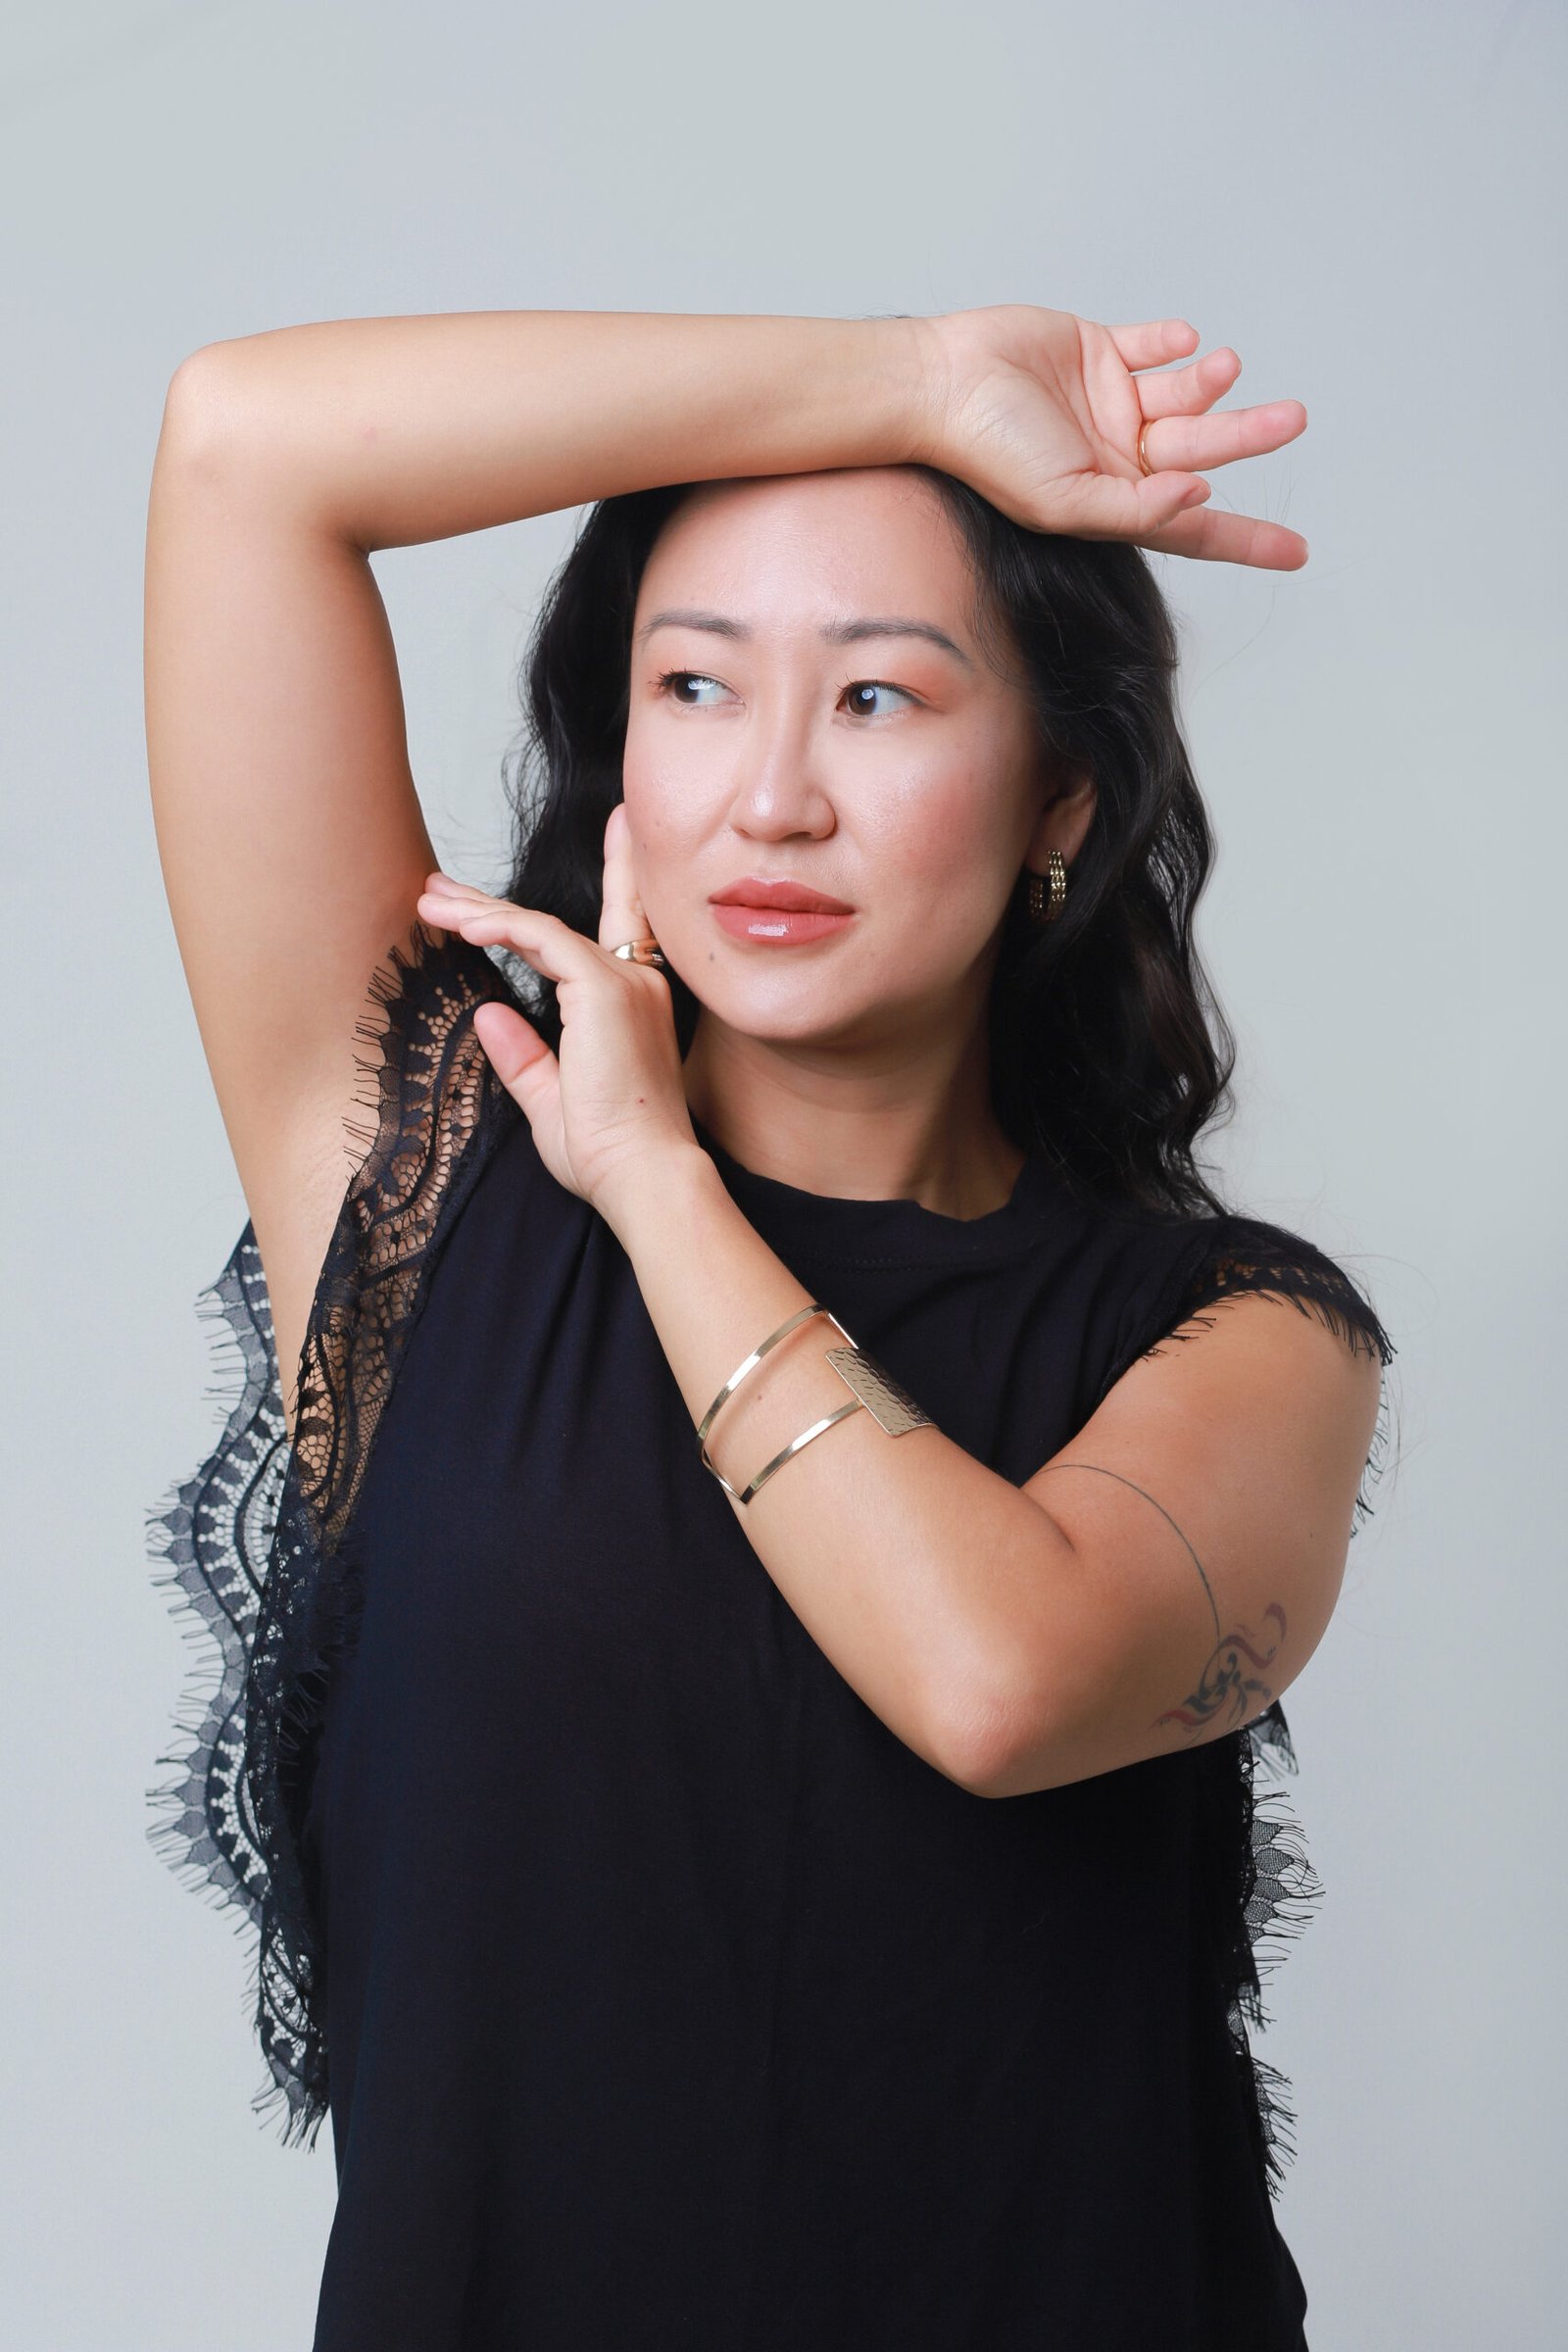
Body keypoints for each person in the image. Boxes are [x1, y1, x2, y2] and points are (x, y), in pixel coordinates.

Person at [142, 305, 1395, 2350]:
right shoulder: (431, 1174)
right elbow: (244, 447)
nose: (772, 798)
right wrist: (918, 385)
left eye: (880, 697)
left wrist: (655, 1181)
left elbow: (992, 1681)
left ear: (1061, 798)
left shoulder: (1238, 1339)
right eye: (696, 685)